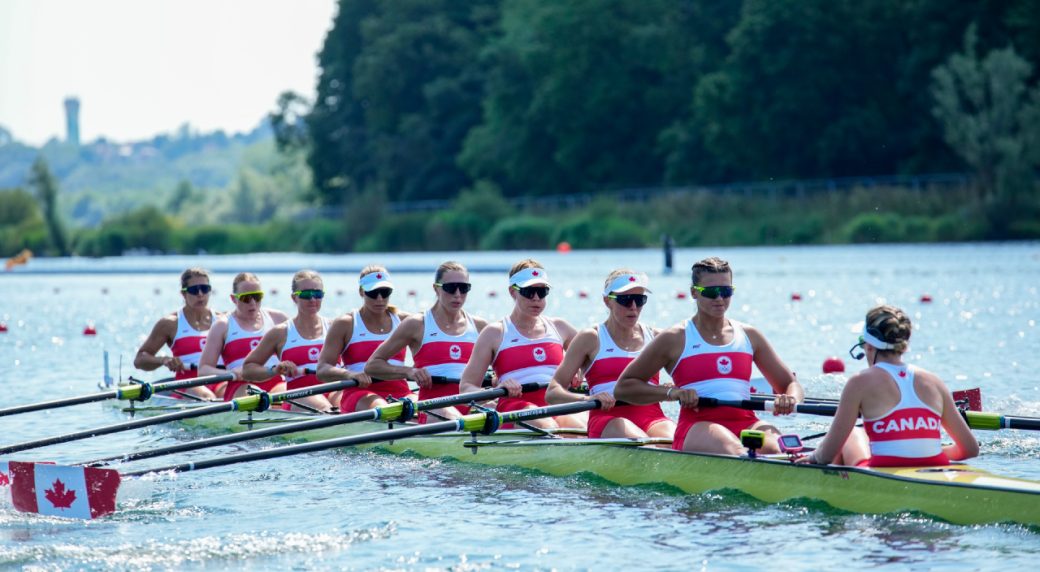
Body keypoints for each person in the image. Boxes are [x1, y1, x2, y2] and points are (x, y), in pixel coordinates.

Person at [616, 256, 802, 455]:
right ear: (694, 293)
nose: (720, 298)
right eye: (712, 292)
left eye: (726, 291)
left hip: (747, 421)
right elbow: (624, 387)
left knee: (779, 449)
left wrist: (790, 399)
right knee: (732, 448)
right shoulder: (675, 337)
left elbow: (791, 384)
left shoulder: (749, 335)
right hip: (697, 425)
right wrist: (672, 393)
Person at [798, 305, 979, 467]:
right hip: (936, 464)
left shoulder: (859, 382)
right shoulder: (934, 381)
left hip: (881, 468)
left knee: (853, 433)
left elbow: (827, 455)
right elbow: (970, 449)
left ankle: (837, 489)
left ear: (868, 346)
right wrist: (926, 454)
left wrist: (814, 457)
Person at [546, 270, 675, 439]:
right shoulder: (590, 338)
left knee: (674, 440)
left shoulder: (657, 337)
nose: (634, 307)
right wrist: (588, 399)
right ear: (607, 301)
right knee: (642, 442)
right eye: (625, 300)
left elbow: (690, 381)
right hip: (607, 418)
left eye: (639, 300)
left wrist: (672, 389)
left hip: (652, 416)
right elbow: (552, 393)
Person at [459, 259, 584, 430]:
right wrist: (500, 387)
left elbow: (596, 360)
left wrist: (581, 369)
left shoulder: (560, 327)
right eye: (529, 291)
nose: (536, 298)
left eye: (542, 292)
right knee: (550, 427)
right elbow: (466, 388)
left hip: (555, 403)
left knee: (581, 429)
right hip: (515, 407)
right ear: (513, 292)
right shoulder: (494, 333)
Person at [365, 261, 488, 422]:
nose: (457, 294)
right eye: (450, 288)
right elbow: (372, 365)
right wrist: (409, 372)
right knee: (456, 418)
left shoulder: (480, 326)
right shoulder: (417, 324)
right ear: (436, 288)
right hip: (433, 406)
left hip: (472, 403)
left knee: (496, 410)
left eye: (463, 288)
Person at [316, 266, 414, 412]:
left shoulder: (406, 321)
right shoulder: (346, 323)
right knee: (385, 410)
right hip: (359, 392)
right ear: (361, 292)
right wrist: (350, 374)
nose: (380, 299)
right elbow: (322, 370)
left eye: (385, 293)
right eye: (373, 293)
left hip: (401, 392)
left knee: (424, 408)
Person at [242, 270, 333, 412]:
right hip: (299, 395)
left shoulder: (334, 327)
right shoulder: (280, 332)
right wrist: (274, 370)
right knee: (325, 407)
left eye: (318, 294)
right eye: (306, 295)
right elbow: (248, 369)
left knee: (344, 403)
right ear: (294, 298)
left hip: (334, 390)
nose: (313, 299)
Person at [134, 267, 223, 399]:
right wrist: (164, 360)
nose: (200, 294)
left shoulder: (222, 321)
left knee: (235, 394)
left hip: (220, 379)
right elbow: (140, 359)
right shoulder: (170, 323)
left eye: (204, 289)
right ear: (183, 294)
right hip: (187, 383)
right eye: (194, 290)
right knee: (206, 396)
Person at [199, 272, 289, 400]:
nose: (252, 302)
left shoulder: (278, 318)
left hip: (275, 382)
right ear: (234, 299)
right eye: (246, 298)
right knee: (257, 398)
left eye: (257, 297)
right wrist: (230, 373)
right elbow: (203, 370)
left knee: (289, 396)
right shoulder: (222, 325)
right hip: (241, 385)